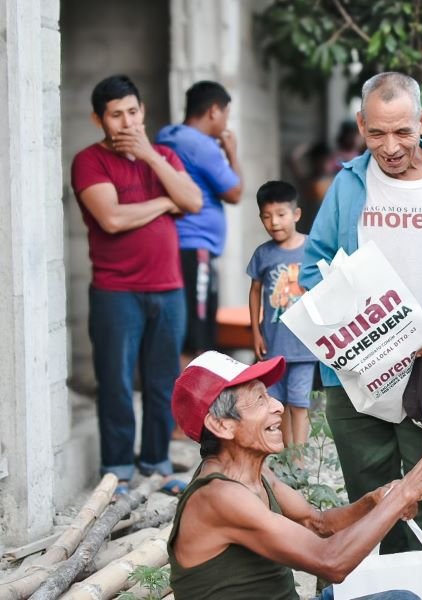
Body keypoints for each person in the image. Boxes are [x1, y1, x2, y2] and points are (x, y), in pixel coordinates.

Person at [300, 72, 422, 554]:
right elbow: (313, 266)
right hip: (358, 375)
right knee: (370, 501)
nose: (390, 146)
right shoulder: (347, 184)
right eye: (377, 132)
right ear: (361, 125)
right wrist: (345, 323)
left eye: (403, 131)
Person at [168, 351, 422, 600]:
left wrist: (374, 501)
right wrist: (410, 488)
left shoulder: (257, 475)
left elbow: (318, 523)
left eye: (269, 395)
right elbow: (331, 562)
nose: (276, 406)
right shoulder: (219, 496)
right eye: (259, 400)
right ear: (221, 426)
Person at [70, 74, 202, 496]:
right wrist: (166, 202)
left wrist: (151, 157)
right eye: (115, 115)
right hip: (116, 291)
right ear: (98, 119)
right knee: (117, 381)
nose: (126, 122)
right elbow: (112, 218)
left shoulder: (162, 154)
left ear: (143, 112)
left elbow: (194, 201)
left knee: (164, 381)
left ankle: (157, 464)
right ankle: (118, 470)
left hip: (168, 287)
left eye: (132, 111)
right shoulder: (89, 161)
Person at [156, 81, 243, 372]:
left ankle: (183, 413)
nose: (226, 122)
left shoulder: (167, 136)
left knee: (184, 331)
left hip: (175, 246)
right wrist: (232, 152)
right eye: (226, 114)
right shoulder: (202, 145)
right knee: (198, 339)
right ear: (213, 111)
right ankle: (191, 415)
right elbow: (235, 192)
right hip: (196, 250)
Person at [247, 181, 318, 452]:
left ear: (296, 214)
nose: (274, 222)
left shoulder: (312, 248)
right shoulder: (263, 254)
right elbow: (255, 292)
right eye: (267, 216)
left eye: (281, 214)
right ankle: (282, 454)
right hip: (274, 345)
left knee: (299, 403)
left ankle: (298, 459)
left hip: (305, 346)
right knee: (276, 404)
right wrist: (255, 331)